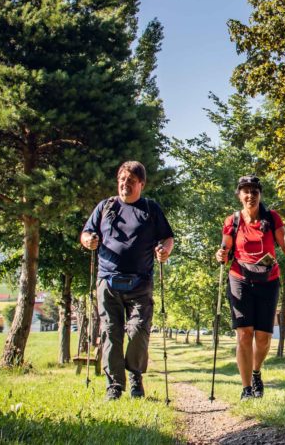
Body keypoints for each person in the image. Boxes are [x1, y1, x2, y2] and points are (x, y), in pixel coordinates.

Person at [81, 160, 174, 400]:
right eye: (122, 180)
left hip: (140, 283)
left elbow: (167, 238)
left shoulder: (151, 209)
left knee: (138, 332)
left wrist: (164, 250)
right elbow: (86, 234)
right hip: (108, 281)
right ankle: (114, 385)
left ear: (141, 184)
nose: (125, 185)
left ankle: (135, 376)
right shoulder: (105, 207)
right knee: (110, 333)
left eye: (131, 181)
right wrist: (88, 240)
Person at [215, 175, 285, 400]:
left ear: (260, 195)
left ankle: (256, 371)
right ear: (239, 195)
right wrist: (220, 254)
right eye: (245, 191)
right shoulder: (232, 221)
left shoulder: (272, 218)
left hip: (268, 280)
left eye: (254, 191)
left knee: (263, 338)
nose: (250, 195)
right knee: (244, 334)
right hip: (240, 278)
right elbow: (225, 251)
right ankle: (246, 388)